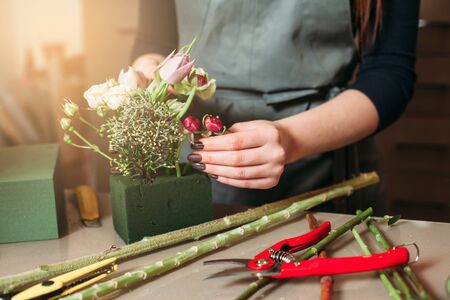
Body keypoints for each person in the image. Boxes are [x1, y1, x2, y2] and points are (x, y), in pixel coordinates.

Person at [131, 0, 420, 213]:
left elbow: (389, 72)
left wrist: (291, 138)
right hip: (192, 162)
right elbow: (154, 40)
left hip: (324, 167)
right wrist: (148, 72)